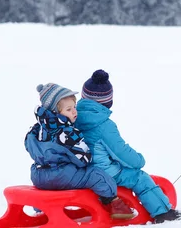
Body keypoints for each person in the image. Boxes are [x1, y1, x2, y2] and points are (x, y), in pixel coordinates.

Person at [74, 69, 181, 224]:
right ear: (107, 101)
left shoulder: (72, 115)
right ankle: (163, 213)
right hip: (104, 173)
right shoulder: (104, 125)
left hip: (82, 172)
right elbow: (120, 151)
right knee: (139, 177)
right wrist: (138, 161)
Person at [25, 83, 134, 219]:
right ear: (55, 112)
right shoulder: (67, 132)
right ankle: (114, 204)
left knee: (56, 175)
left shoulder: (35, 130)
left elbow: (29, 147)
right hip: (61, 175)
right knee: (95, 174)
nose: (74, 112)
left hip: (38, 176)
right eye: (69, 109)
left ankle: (42, 209)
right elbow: (84, 159)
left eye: (74, 107)